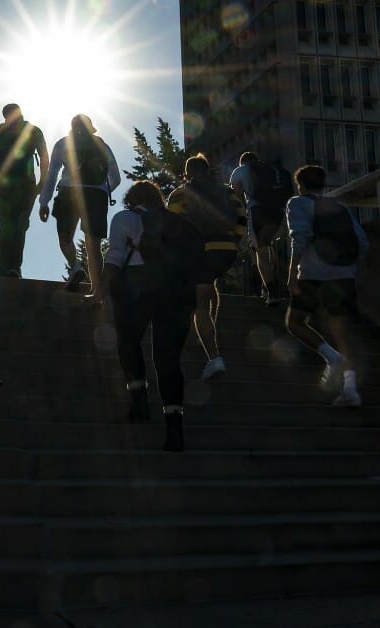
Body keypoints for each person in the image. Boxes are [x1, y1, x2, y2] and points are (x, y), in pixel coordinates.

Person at [90, 180, 204, 451]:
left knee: (128, 341)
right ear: (158, 199)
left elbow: (115, 257)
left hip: (136, 286)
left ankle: (139, 397)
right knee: (168, 358)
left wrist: (100, 292)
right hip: (175, 292)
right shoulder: (180, 224)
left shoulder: (124, 218)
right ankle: (174, 424)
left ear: (131, 199)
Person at [284, 164, 369, 407]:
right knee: (342, 332)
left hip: (313, 274)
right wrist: (352, 271)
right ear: (323, 184)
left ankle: (332, 358)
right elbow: (363, 242)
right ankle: (351, 390)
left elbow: (299, 237)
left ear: (299, 184)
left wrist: (292, 275)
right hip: (343, 277)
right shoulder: (339, 208)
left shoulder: (297, 203)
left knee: (295, 322)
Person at [167, 153, 246, 380]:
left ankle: (214, 358)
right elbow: (241, 217)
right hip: (226, 249)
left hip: (200, 250)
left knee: (199, 303)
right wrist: (233, 241)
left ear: (188, 172)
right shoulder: (227, 191)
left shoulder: (181, 193)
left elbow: (171, 225)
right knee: (209, 284)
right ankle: (210, 330)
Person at [38, 114, 121, 293]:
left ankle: (75, 267)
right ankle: (96, 290)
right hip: (96, 196)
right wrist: (104, 190)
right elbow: (116, 176)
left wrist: (44, 202)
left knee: (65, 238)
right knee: (93, 246)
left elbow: (52, 174)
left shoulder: (62, 144)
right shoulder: (101, 144)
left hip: (69, 192)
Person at [0, 103, 48, 277]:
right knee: (9, 225)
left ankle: (12, 268)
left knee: (18, 225)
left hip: (24, 185)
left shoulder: (33, 131)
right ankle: (2, 267)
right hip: (11, 186)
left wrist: (42, 182)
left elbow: (44, 157)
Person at [230, 152, 294, 304]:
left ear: (242, 162)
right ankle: (268, 289)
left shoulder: (241, 170)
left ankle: (272, 293)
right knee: (269, 247)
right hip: (279, 212)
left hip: (258, 211)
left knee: (261, 252)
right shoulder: (274, 170)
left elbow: (235, 196)